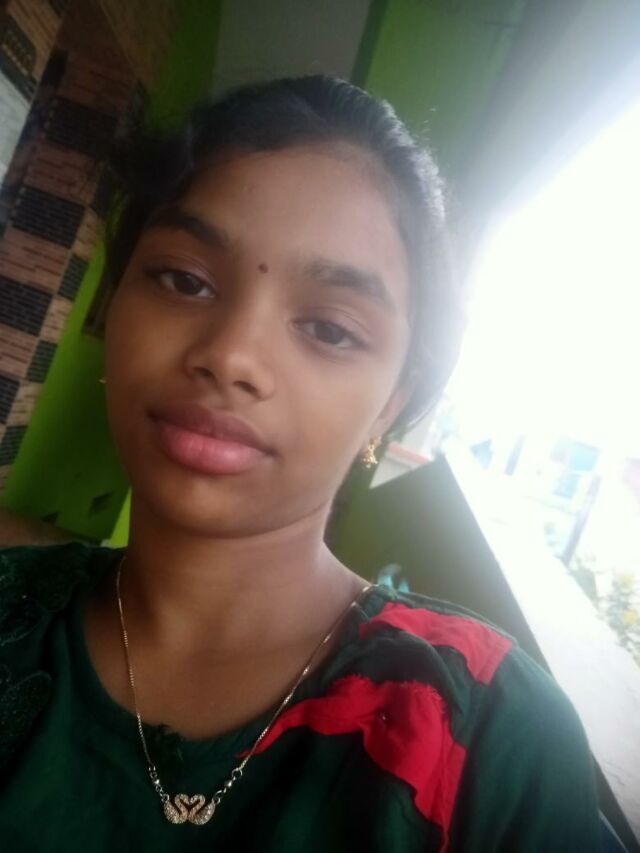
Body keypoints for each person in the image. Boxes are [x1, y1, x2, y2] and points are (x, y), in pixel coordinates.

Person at [0, 75, 601, 851]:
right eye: (185, 280)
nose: (231, 355)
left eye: (330, 328)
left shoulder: (489, 735)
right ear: (112, 306)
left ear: (390, 404)